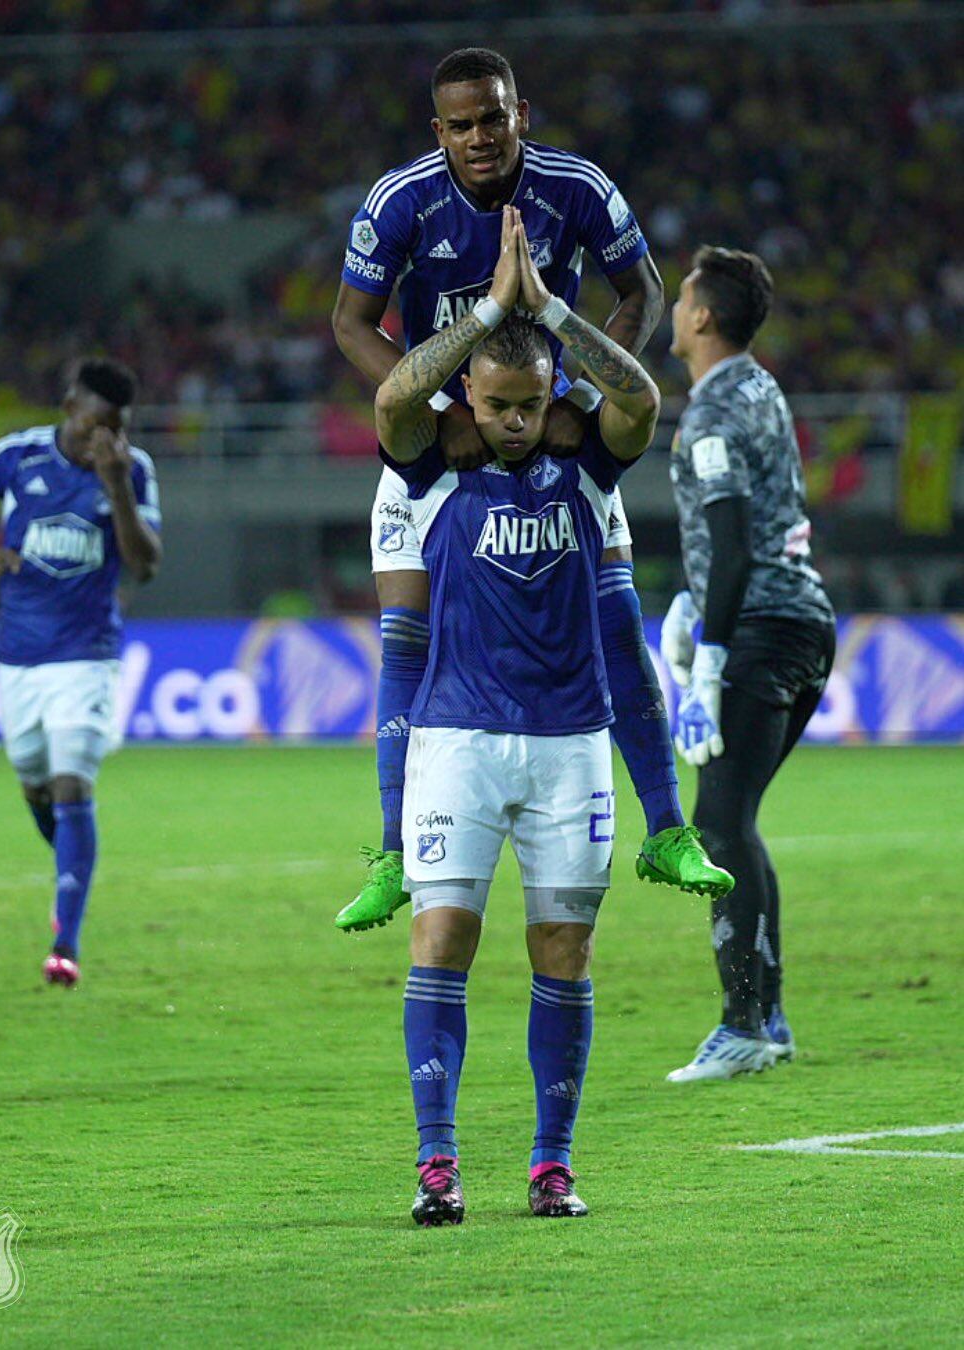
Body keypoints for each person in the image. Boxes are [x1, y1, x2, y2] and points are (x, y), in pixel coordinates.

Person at [332, 46, 731, 934]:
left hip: (552, 432)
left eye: (495, 117)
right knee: (406, 637)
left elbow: (645, 290)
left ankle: (668, 829)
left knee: (615, 616)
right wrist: (441, 413)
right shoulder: (401, 203)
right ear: (439, 132)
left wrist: (579, 399)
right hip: (445, 443)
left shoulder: (575, 186)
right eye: (462, 124)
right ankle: (396, 852)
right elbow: (350, 323)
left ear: (522, 114)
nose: (481, 136)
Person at [377, 206, 659, 1223]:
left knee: (564, 956)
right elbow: (392, 394)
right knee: (440, 941)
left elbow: (644, 400)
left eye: (528, 403)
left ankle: (551, 1163)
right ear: (471, 395)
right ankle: (436, 1163)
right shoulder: (433, 467)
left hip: (571, 749)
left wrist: (554, 320)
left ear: (550, 398)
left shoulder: (586, 471)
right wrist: (492, 309)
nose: (509, 419)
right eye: (495, 402)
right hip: (455, 743)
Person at [0, 358, 161, 988]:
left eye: (117, 428)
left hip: (88, 655)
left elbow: (145, 565)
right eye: (96, 426)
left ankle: (66, 943)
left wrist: (117, 488)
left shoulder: (132, 470)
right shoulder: (15, 457)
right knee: (35, 785)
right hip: (19, 655)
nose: (105, 440)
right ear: (70, 409)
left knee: (70, 784)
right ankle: (71, 873)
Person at [661, 247, 836, 1081]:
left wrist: (707, 660)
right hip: (804, 625)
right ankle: (766, 1017)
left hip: (762, 631)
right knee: (737, 819)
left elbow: (730, 551)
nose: (672, 308)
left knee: (720, 825)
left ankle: (744, 1024)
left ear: (700, 316)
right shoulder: (759, 388)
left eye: (681, 296)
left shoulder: (710, 418)